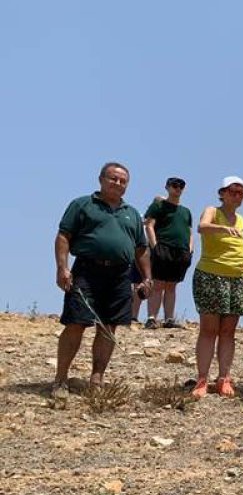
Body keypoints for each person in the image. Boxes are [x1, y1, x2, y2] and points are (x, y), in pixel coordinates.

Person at [52, 162, 152, 400]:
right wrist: (62, 268)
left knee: (109, 327)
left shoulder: (131, 213)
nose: (118, 183)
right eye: (113, 178)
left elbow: (141, 249)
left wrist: (147, 277)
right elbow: (63, 236)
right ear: (101, 179)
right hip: (87, 271)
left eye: (123, 181)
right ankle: (60, 379)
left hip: (120, 276)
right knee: (76, 323)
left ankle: (97, 380)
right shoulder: (82, 205)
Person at [191, 176, 243, 398]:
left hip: (238, 277)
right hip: (211, 274)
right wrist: (222, 229)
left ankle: (224, 378)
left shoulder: (241, 219)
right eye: (233, 191)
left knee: (228, 331)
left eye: (242, 193)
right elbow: (202, 227)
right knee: (209, 329)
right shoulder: (212, 211)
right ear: (223, 193)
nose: (237, 196)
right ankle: (202, 379)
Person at [143, 177, 194, 329]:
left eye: (181, 186)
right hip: (163, 247)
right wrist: (155, 246)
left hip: (181, 251)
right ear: (167, 187)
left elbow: (190, 232)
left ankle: (169, 319)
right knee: (158, 284)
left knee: (172, 286)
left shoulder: (186, 211)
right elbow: (149, 225)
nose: (178, 188)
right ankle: (152, 318)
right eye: (175, 185)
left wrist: (190, 250)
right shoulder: (159, 206)